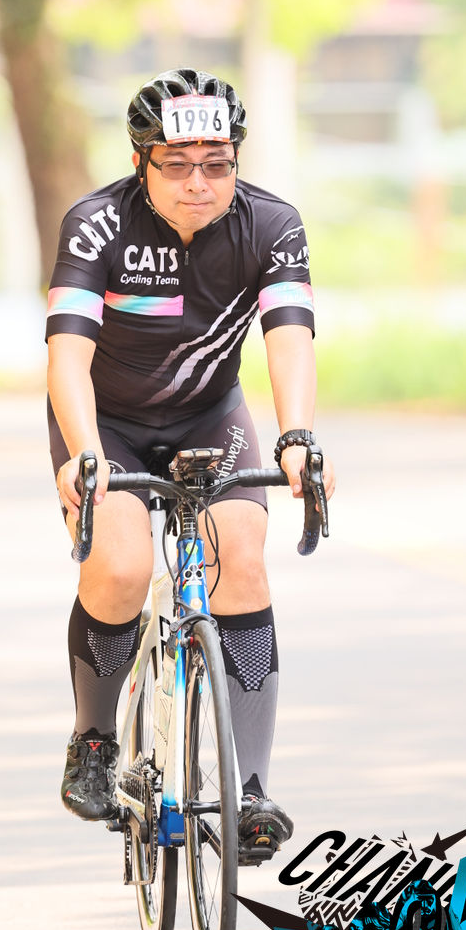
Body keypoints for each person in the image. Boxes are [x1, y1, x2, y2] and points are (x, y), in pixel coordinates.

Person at [45, 67, 335, 864]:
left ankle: (248, 791)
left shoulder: (270, 223)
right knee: (121, 567)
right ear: (140, 161)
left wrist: (297, 435)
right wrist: (84, 453)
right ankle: (95, 740)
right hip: (106, 423)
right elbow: (66, 354)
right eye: (175, 164)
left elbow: (288, 335)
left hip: (209, 418)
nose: (198, 181)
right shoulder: (97, 224)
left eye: (216, 162)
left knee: (241, 560)